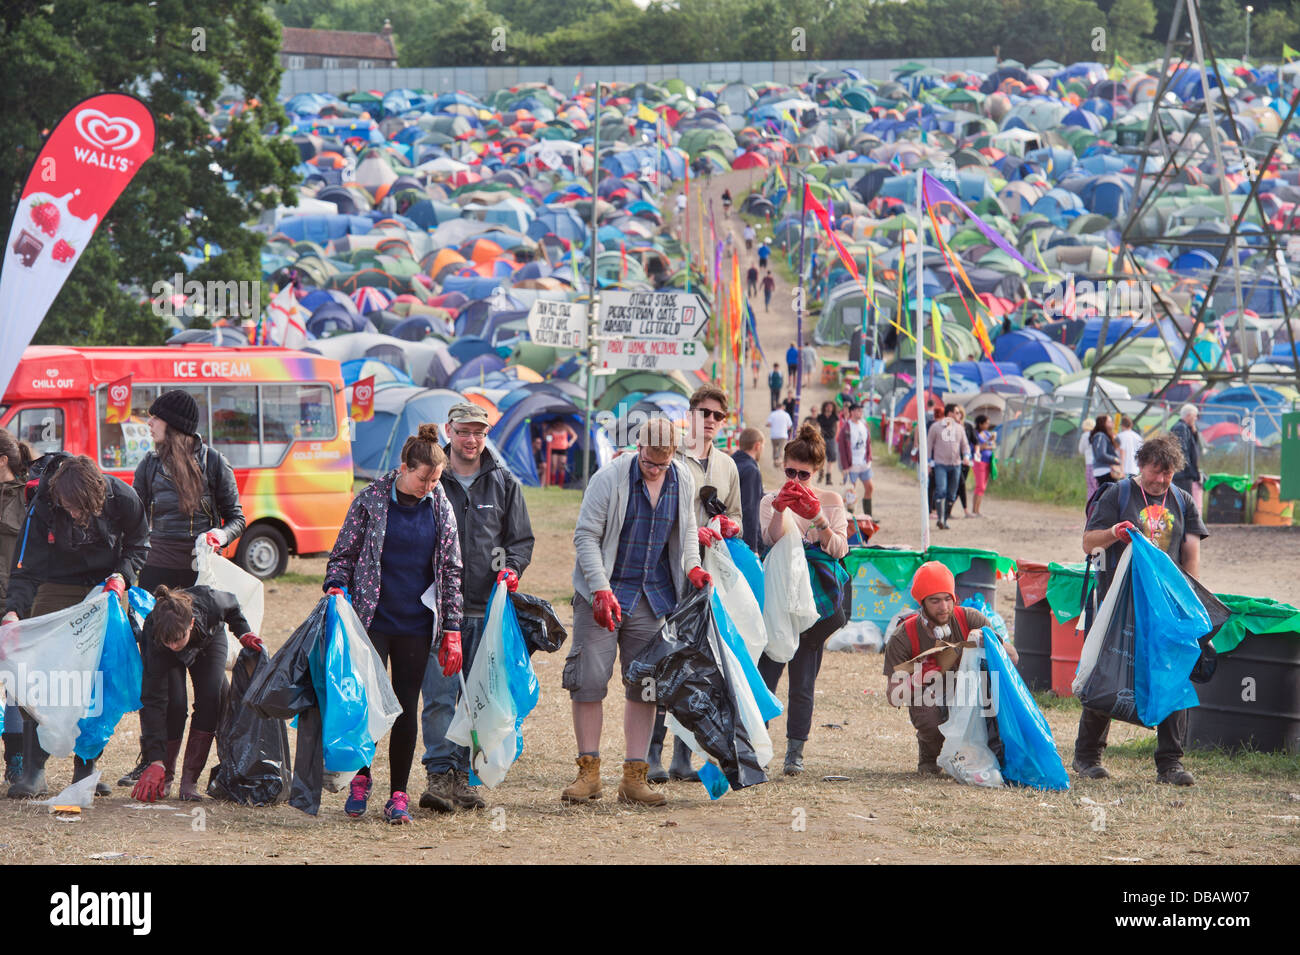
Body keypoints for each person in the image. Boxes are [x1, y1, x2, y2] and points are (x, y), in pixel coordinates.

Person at [562, 417, 708, 807]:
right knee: (589, 678)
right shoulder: (608, 478)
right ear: (638, 448)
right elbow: (586, 536)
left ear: (673, 455)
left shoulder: (682, 478)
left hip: (652, 595)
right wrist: (600, 589)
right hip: (604, 591)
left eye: (663, 463)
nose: (655, 469)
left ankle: (634, 776)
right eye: (649, 462)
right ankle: (588, 773)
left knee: (645, 685)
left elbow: (688, 530)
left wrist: (692, 566)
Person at [323, 425, 463, 824]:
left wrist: (451, 627)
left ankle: (398, 793)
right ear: (404, 468)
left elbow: (451, 569)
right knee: (368, 705)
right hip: (372, 620)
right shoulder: (369, 501)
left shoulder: (440, 506)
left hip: (416, 625)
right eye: (424, 479)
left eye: (436, 480)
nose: (429, 487)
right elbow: (342, 556)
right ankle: (361, 779)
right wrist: (335, 585)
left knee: (404, 707)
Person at [117, 389, 246, 791]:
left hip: (200, 582)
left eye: (154, 419)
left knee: (210, 691)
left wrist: (218, 534)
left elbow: (237, 518)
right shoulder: (149, 466)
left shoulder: (214, 463)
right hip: (155, 579)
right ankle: (155, 762)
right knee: (161, 685)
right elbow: (134, 522)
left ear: (172, 425)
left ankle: (191, 776)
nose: (149, 424)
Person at [3, 454, 150, 799]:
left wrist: (123, 576)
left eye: (82, 510)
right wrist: (14, 613)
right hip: (56, 583)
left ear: (98, 498)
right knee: (42, 673)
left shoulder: (124, 498)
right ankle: (34, 770)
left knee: (96, 678)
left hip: (105, 588)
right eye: (69, 509)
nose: (75, 516)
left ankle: (85, 769)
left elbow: (140, 542)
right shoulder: (42, 507)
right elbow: (25, 570)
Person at [420, 404, 534, 814]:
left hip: (486, 613)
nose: (472, 440)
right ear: (449, 430)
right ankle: (438, 775)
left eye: (479, 433)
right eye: (465, 431)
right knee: (438, 696)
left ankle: (464, 779)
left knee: (477, 700)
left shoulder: (503, 483)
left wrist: (513, 570)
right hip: (438, 611)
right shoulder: (433, 478)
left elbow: (520, 540)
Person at [1076, 432, 1208, 786]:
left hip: (1165, 609)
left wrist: (1188, 601)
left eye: (1167, 473)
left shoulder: (1182, 501)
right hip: (1120, 605)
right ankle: (1087, 756)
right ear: (1141, 464)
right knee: (1109, 671)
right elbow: (1088, 543)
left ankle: (1171, 764)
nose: (1161, 479)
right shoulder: (1117, 494)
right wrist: (1114, 533)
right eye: (1155, 471)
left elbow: (1190, 557)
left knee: (1173, 675)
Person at [649, 386, 744, 782]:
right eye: (702, 412)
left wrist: (726, 526)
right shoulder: (672, 457)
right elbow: (656, 512)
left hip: (709, 582)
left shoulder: (728, 466)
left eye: (716, 416)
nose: (709, 420)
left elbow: (738, 518)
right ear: (690, 413)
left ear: (724, 422)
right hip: (668, 576)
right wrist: (691, 533)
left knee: (699, 668)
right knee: (662, 662)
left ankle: (682, 755)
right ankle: (649, 754)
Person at [757, 423, 850, 775]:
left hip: (817, 601)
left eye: (804, 474)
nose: (796, 480)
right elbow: (770, 540)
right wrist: (781, 508)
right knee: (767, 673)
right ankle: (758, 744)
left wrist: (819, 517)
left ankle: (795, 752)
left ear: (818, 471)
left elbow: (840, 549)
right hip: (780, 596)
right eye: (790, 472)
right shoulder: (770, 500)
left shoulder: (832, 500)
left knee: (804, 679)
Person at [883, 562, 1015, 775]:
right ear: (921, 602)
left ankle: (992, 755)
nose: (943, 607)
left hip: (974, 692)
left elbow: (1013, 658)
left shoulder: (970, 619)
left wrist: (990, 643)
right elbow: (893, 696)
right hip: (930, 695)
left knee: (995, 697)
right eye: (935, 601)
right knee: (928, 711)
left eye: (947, 599)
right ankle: (929, 755)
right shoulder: (903, 636)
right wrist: (920, 676)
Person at [130, 585, 259, 802]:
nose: (173, 645)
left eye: (177, 639)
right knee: (174, 705)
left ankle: (190, 779)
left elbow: (233, 606)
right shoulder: (156, 637)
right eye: (168, 641)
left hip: (209, 640)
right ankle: (166, 774)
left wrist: (244, 631)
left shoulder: (211, 601)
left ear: (190, 623)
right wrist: (155, 760)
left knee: (210, 699)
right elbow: (152, 701)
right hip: (163, 652)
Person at [0, 429, 35, 785]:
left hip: (14, 602)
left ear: (3, 461)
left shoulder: (29, 497)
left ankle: (17, 758)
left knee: (16, 687)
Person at [927, 404, 969, 530]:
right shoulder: (936, 427)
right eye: (956, 412)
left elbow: (965, 445)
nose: (959, 415)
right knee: (941, 490)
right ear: (949, 414)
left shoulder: (960, 429)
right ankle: (940, 517)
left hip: (955, 464)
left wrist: (967, 456)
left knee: (952, 493)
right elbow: (929, 445)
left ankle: (944, 519)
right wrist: (929, 462)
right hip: (940, 464)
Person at [730, 427, 765, 554]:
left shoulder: (731, 462)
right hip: (743, 541)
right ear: (757, 446)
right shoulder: (751, 470)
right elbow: (750, 510)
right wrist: (753, 547)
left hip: (728, 534)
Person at [837, 403, 874, 516]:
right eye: (858, 410)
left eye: (861, 411)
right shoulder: (846, 428)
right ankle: (850, 517)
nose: (860, 413)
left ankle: (868, 516)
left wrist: (869, 457)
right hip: (851, 465)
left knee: (870, 487)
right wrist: (845, 466)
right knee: (850, 492)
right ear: (852, 412)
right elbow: (842, 448)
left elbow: (868, 442)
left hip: (863, 463)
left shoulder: (864, 425)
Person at [1170, 404, 1202, 507]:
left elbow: (1193, 447)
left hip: (1184, 474)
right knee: (1183, 502)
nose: (1196, 419)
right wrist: (1190, 471)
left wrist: (1194, 432)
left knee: (1184, 502)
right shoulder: (1181, 428)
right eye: (1195, 416)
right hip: (1182, 474)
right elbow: (1182, 450)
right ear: (1189, 415)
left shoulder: (1186, 428)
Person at [952, 405, 976, 518]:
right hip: (953, 461)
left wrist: (976, 453)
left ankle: (949, 509)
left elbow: (974, 442)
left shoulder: (968, 427)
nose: (958, 415)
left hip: (965, 461)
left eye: (960, 413)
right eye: (956, 413)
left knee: (960, 485)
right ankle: (965, 510)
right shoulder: (950, 427)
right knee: (960, 484)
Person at [971, 414, 995, 517]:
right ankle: (974, 510)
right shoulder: (975, 434)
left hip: (988, 461)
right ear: (980, 424)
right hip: (979, 461)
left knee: (983, 487)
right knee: (979, 485)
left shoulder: (987, 434)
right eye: (986, 423)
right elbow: (975, 448)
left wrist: (988, 445)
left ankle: (977, 509)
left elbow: (992, 445)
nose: (988, 425)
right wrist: (985, 446)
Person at [1091, 414, 1122, 490]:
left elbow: (1118, 444)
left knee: (1108, 495)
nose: (1112, 423)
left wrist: (1113, 435)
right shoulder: (1100, 436)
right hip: (1104, 471)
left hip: (1108, 470)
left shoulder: (1106, 435)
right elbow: (1101, 455)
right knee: (1108, 496)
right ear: (1103, 423)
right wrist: (1115, 459)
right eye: (1109, 421)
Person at [544, 419, 578, 487]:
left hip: (563, 449)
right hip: (553, 449)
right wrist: (544, 429)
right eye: (556, 424)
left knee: (562, 466)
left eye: (559, 423)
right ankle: (552, 484)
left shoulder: (566, 427)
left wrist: (570, 442)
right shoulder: (551, 428)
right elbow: (545, 437)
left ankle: (560, 485)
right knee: (554, 465)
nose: (558, 425)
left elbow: (575, 436)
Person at [815, 402, 840, 485]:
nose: (829, 408)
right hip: (822, 439)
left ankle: (828, 479)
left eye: (831, 407)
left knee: (831, 459)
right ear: (824, 407)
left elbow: (838, 427)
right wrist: (817, 436)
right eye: (827, 406)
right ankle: (820, 475)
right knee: (821, 458)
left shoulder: (834, 417)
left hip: (832, 439)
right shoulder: (820, 416)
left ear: (833, 408)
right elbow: (817, 427)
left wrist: (836, 437)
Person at [766, 401, 794, 469]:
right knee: (781, 449)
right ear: (782, 407)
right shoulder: (786, 414)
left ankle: (775, 461)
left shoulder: (772, 414)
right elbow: (790, 425)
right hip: (783, 434)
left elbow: (768, 424)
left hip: (774, 435)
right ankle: (779, 461)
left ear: (776, 407)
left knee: (775, 448)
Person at [1078, 419, 1097, 498]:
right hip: (1098, 464)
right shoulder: (1098, 434)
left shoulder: (1085, 435)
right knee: (1097, 487)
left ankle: (1090, 507)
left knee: (1090, 487)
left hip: (1089, 464)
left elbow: (1080, 450)